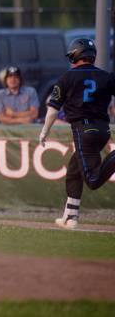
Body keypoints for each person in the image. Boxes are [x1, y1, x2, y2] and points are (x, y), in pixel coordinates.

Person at [39, 38, 115, 230]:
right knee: (74, 171)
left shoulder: (67, 78)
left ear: (75, 54)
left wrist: (44, 132)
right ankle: (70, 217)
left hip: (84, 130)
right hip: (103, 130)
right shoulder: (106, 77)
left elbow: (53, 110)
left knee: (93, 180)